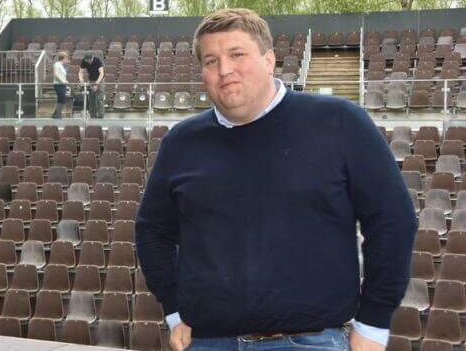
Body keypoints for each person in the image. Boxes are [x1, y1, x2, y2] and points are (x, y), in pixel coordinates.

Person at [135, 8, 415, 351]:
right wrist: (174, 309)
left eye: (237, 54)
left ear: (270, 60)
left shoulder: (340, 122)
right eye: (211, 61)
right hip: (209, 341)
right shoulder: (181, 142)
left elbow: (393, 221)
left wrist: (373, 322)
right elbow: (151, 230)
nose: (225, 70)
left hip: (311, 341)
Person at [78, 51, 105, 119]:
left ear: (92, 57)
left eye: (90, 59)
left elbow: (101, 73)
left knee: (99, 99)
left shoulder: (97, 60)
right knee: (91, 99)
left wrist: (96, 84)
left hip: (100, 80)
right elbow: (80, 72)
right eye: (87, 60)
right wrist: (81, 80)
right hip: (91, 80)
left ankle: (101, 116)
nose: (89, 61)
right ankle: (93, 116)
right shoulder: (84, 61)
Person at [52, 51, 70, 119]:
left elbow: (62, 75)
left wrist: (65, 80)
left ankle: (55, 115)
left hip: (62, 85)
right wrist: (63, 81)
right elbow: (56, 74)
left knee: (61, 99)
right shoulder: (57, 64)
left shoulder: (62, 66)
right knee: (62, 99)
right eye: (66, 58)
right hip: (58, 85)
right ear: (64, 58)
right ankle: (58, 115)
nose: (67, 60)